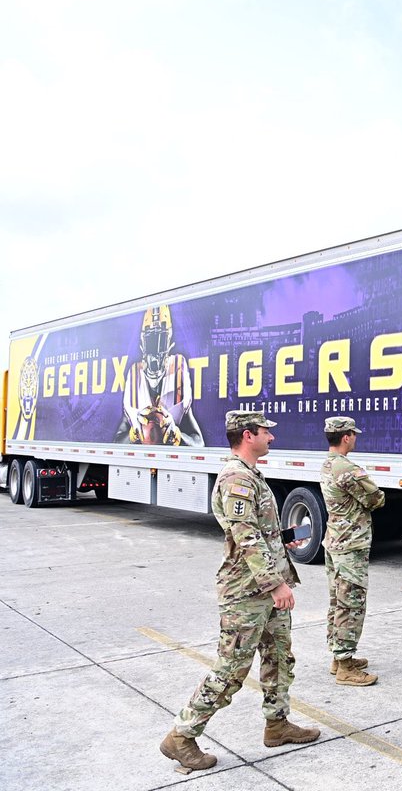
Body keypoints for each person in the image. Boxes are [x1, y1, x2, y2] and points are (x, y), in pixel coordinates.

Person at [161, 411, 317, 772]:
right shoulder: (236, 478)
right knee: (231, 668)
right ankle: (182, 736)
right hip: (247, 592)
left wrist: (285, 543)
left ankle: (277, 724)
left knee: (279, 656)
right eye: (266, 432)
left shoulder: (251, 476)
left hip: (265, 586)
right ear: (248, 435)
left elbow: (257, 533)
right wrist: (275, 583)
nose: (272, 438)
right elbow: (245, 536)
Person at [320, 416, 386, 687]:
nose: (355, 438)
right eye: (353, 434)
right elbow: (376, 498)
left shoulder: (327, 464)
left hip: (334, 541)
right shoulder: (346, 468)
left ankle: (338, 658)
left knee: (338, 600)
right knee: (352, 603)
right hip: (351, 546)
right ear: (346, 436)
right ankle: (346, 665)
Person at [118, 304, 204, 446]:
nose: (155, 349)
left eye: (160, 340)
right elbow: (118, 440)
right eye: (151, 341)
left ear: (169, 340)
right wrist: (133, 435)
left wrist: (176, 434)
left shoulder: (178, 367)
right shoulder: (134, 374)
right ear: (143, 342)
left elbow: (199, 443)